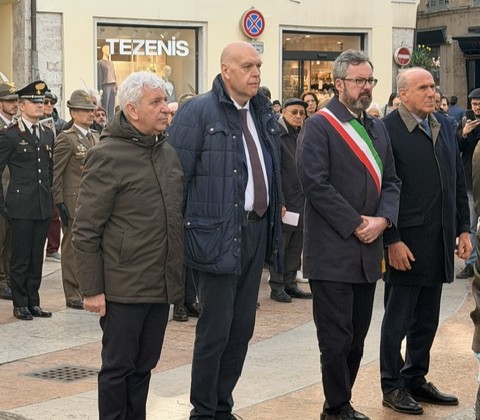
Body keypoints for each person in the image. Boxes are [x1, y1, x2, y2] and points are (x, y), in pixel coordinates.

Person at [168, 41, 283, 419]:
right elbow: (175, 179)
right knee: (215, 330)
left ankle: (222, 405)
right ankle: (203, 411)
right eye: (247, 66)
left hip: (256, 230)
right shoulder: (198, 111)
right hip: (215, 234)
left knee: (242, 328)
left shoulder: (261, 111)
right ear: (226, 70)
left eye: (258, 65)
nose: (256, 73)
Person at [72, 71, 184, 419]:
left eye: (166, 100)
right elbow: (85, 229)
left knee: (143, 367)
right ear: (132, 110)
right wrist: (91, 289)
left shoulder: (166, 152)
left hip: (159, 285)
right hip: (123, 288)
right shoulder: (107, 155)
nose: (165, 108)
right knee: (118, 369)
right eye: (156, 102)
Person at [296, 49, 401, 420]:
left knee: (356, 338)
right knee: (335, 340)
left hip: (368, 254)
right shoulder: (319, 126)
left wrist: (383, 221)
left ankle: (341, 402)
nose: (366, 87)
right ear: (339, 84)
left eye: (370, 80)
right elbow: (315, 183)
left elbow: (392, 181)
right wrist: (357, 223)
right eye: (359, 81)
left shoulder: (377, 128)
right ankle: (336, 407)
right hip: (332, 252)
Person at [380, 67, 471, 415]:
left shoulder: (444, 125)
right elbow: (380, 189)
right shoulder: (386, 130)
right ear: (403, 94)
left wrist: (464, 229)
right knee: (398, 320)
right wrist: (392, 239)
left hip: (439, 239)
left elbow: (456, 180)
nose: (432, 92)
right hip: (406, 242)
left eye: (433, 86)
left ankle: (415, 378)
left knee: (427, 319)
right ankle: (392, 385)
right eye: (423, 88)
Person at [0, 80, 54, 321]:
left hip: (42, 204)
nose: (39, 105)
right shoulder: (10, 135)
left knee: (36, 257)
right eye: (34, 102)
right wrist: (2, 203)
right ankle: (20, 302)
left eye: (41, 101)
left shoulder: (47, 133)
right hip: (20, 205)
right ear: (21, 106)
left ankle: (34, 300)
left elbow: (49, 170)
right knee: (20, 257)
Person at [52, 89, 99, 310]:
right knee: (71, 247)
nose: (90, 114)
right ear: (73, 113)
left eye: (91, 110)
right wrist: (59, 202)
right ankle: (72, 293)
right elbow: (57, 174)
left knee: (90, 245)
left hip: (94, 200)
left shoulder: (96, 137)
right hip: (74, 200)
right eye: (84, 110)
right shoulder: (66, 138)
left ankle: (88, 287)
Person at [269, 97, 312, 303]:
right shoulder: (278, 136)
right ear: (283, 112)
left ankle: (290, 282)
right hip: (285, 201)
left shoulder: (302, 135)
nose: (298, 116)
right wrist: (280, 201)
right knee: (281, 245)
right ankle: (277, 285)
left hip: (301, 200)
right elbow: (275, 171)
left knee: (296, 244)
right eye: (294, 112)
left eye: (301, 113)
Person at [456, 88, 480, 280]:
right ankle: (471, 263)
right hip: (470, 181)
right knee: (470, 224)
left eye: (479, 104)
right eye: (474, 104)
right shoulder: (465, 121)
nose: (477, 107)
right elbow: (456, 147)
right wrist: (464, 133)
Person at [0, 77, 18, 301]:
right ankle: (1, 280)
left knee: (11, 241)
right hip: (2, 190)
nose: (14, 104)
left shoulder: (16, 127)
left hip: (15, 191)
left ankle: (8, 278)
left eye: (16, 100)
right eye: (9, 100)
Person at [43, 90, 64, 264]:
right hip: (40, 172)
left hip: (54, 172)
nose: (49, 105)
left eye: (52, 103)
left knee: (54, 214)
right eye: (45, 102)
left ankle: (53, 248)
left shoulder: (60, 124)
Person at [97, 45, 117, 120]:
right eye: (107, 50)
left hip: (112, 85)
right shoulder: (100, 63)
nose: (109, 51)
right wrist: (100, 88)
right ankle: (104, 121)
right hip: (105, 85)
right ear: (103, 50)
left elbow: (114, 74)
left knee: (112, 106)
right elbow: (99, 76)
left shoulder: (111, 62)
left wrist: (116, 85)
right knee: (105, 105)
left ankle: (111, 121)